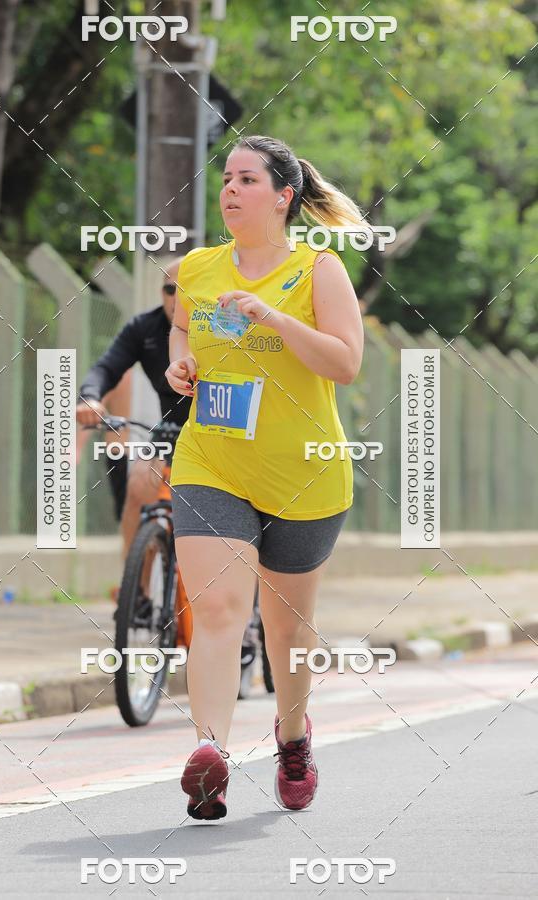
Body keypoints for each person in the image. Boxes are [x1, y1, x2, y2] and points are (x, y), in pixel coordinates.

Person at [165, 135, 365, 821]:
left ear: (283, 197)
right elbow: (183, 332)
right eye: (225, 177)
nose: (229, 189)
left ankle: (292, 738)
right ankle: (210, 755)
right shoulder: (197, 267)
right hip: (211, 462)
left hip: (305, 474)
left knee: (287, 631)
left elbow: (344, 363)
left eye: (247, 178)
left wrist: (275, 318)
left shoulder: (318, 270)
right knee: (218, 611)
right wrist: (181, 366)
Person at [76, 259, 188, 558]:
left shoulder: (224, 327)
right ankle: (134, 594)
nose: (176, 298)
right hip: (172, 432)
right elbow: (106, 368)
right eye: (169, 289)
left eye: (187, 288)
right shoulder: (145, 328)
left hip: (222, 434)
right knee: (138, 487)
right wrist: (90, 397)